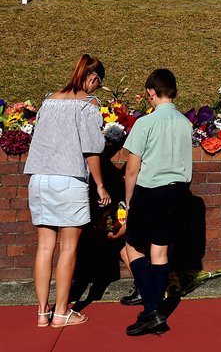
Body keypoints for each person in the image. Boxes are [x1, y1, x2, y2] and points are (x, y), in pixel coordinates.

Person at [23, 54, 112, 328]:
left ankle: (42, 312)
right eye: (98, 83)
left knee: (45, 247)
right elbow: (91, 150)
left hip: (38, 178)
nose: (97, 89)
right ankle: (61, 312)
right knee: (68, 247)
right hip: (69, 178)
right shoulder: (88, 103)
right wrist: (100, 185)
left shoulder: (48, 99)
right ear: (93, 78)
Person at [121, 68, 192, 337]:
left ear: (152, 91)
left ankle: (152, 311)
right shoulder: (186, 123)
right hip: (178, 192)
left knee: (133, 247)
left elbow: (131, 169)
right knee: (160, 253)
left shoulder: (145, 123)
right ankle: (157, 308)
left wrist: (129, 200)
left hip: (150, 191)